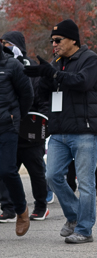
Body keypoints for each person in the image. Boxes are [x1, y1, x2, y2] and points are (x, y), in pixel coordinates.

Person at [26, 19, 97, 244]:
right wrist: (43, 76)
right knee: (51, 176)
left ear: (73, 40)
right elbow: (46, 92)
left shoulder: (90, 60)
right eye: (52, 41)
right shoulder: (57, 62)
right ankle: (74, 216)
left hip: (84, 132)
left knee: (86, 184)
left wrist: (53, 74)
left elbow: (82, 82)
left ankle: (84, 229)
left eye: (58, 40)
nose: (54, 44)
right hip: (59, 132)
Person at [0, 32, 49, 223]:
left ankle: (39, 205)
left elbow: (35, 96)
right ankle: (8, 207)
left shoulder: (26, 67)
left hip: (29, 129)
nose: (6, 45)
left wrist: (19, 115)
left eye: (9, 43)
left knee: (35, 170)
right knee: (6, 172)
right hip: (11, 128)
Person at [0, 37, 33, 237]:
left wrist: (15, 115)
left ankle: (21, 210)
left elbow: (27, 94)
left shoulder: (11, 65)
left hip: (6, 126)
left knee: (7, 171)